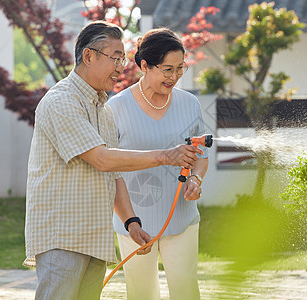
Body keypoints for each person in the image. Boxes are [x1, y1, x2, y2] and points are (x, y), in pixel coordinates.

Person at [23, 21, 203, 300]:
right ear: (89, 56)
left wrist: (131, 222)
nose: (121, 66)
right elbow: (103, 160)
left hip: (93, 235)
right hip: (62, 237)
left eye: (122, 58)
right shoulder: (62, 102)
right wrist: (167, 156)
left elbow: (114, 174)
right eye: (115, 58)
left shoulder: (102, 109)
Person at [107, 28, 209, 300]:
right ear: (144, 65)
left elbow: (201, 157)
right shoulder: (116, 108)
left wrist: (196, 180)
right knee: (141, 292)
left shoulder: (189, 104)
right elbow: (110, 166)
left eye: (180, 68)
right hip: (134, 221)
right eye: (166, 69)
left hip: (181, 216)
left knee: (186, 288)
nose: (174, 77)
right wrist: (129, 221)